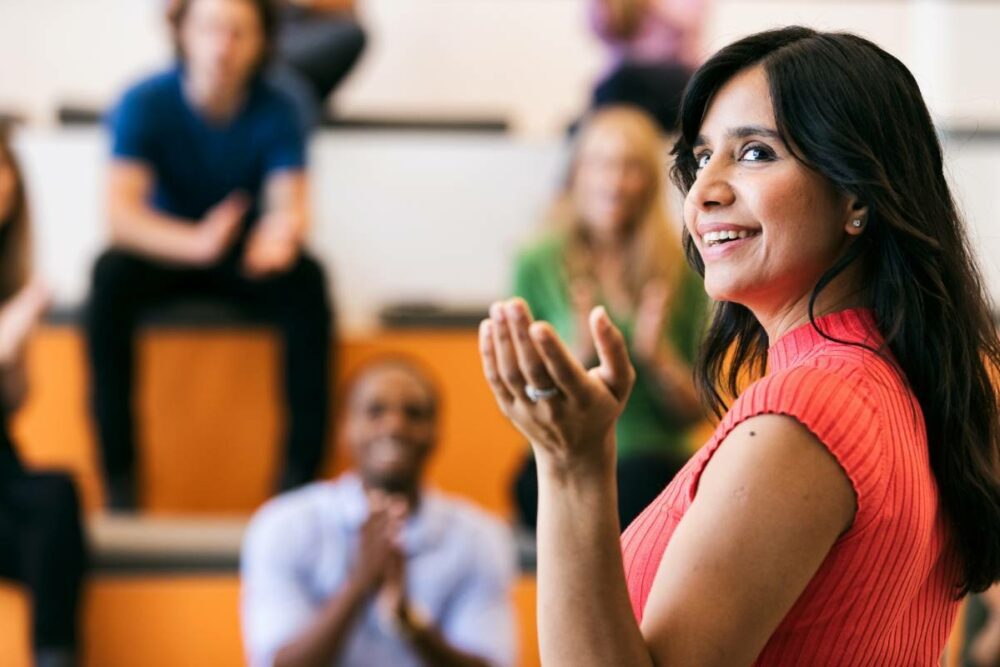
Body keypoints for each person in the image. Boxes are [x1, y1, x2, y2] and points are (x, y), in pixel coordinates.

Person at [480, 26, 1000, 665]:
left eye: (754, 153)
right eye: (702, 159)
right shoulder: (886, 383)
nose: (705, 192)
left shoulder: (808, 412)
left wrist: (572, 466)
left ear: (856, 194)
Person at [86, 0, 334, 510]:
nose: (224, 45)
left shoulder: (282, 104)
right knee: (107, 277)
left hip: (240, 253)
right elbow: (122, 218)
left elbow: (291, 205)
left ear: (262, 40)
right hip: (166, 246)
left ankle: (297, 486)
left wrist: (278, 237)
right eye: (212, 29)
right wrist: (196, 244)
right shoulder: (142, 101)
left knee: (308, 283)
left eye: (239, 32)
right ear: (183, 33)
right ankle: (121, 482)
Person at [241, 358, 517, 667]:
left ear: (436, 432)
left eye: (414, 414)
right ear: (344, 427)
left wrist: (407, 620)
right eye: (375, 411)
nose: (395, 425)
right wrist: (360, 584)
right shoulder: (284, 525)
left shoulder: (479, 537)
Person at [511, 105, 706, 529]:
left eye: (630, 167)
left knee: (640, 484)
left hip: (651, 459)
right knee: (536, 486)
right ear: (577, 173)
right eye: (601, 164)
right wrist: (574, 355)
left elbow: (695, 411)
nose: (614, 182)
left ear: (649, 182)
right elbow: (522, 396)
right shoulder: (537, 262)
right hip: (564, 449)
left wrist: (657, 358)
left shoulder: (681, 268)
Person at [0, 132, 88, 667]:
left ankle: (53, 658)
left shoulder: (11, 279)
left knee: (56, 501)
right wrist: (18, 320)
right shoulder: (21, 299)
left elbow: (12, 401)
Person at [166, 0, 367, 131]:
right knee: (291, 89)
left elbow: (347, 5)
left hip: (290, 27)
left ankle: (258, 70)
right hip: (237, 20)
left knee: (350, 36)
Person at [588, 0, 708, 132]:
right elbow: (599, 28)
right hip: (624, 75)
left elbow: (689, 20)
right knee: (609, 89)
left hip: (673, 72)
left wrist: (652, 4)